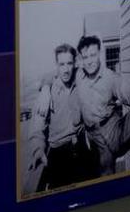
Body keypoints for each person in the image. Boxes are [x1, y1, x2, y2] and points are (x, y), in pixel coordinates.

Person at [74, 35, 130, 175]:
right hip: (91, 137)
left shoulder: (110, 78)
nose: (89, 61)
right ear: (81, 59)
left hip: (112, 130)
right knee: (100, 174)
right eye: (85, 57)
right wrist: (45, 89)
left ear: (100, 54)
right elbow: (55, 75)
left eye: (92, 55)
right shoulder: (78, 75)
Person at [27, 44, 96, 192]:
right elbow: (37, 130)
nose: (66, 69)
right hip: (59, 154)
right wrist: (38, 150)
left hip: (82, 148)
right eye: (62, 64)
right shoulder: (46, 95)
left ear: (75, 64)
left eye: (69, 63)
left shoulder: (79, 81)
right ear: (56, 66)